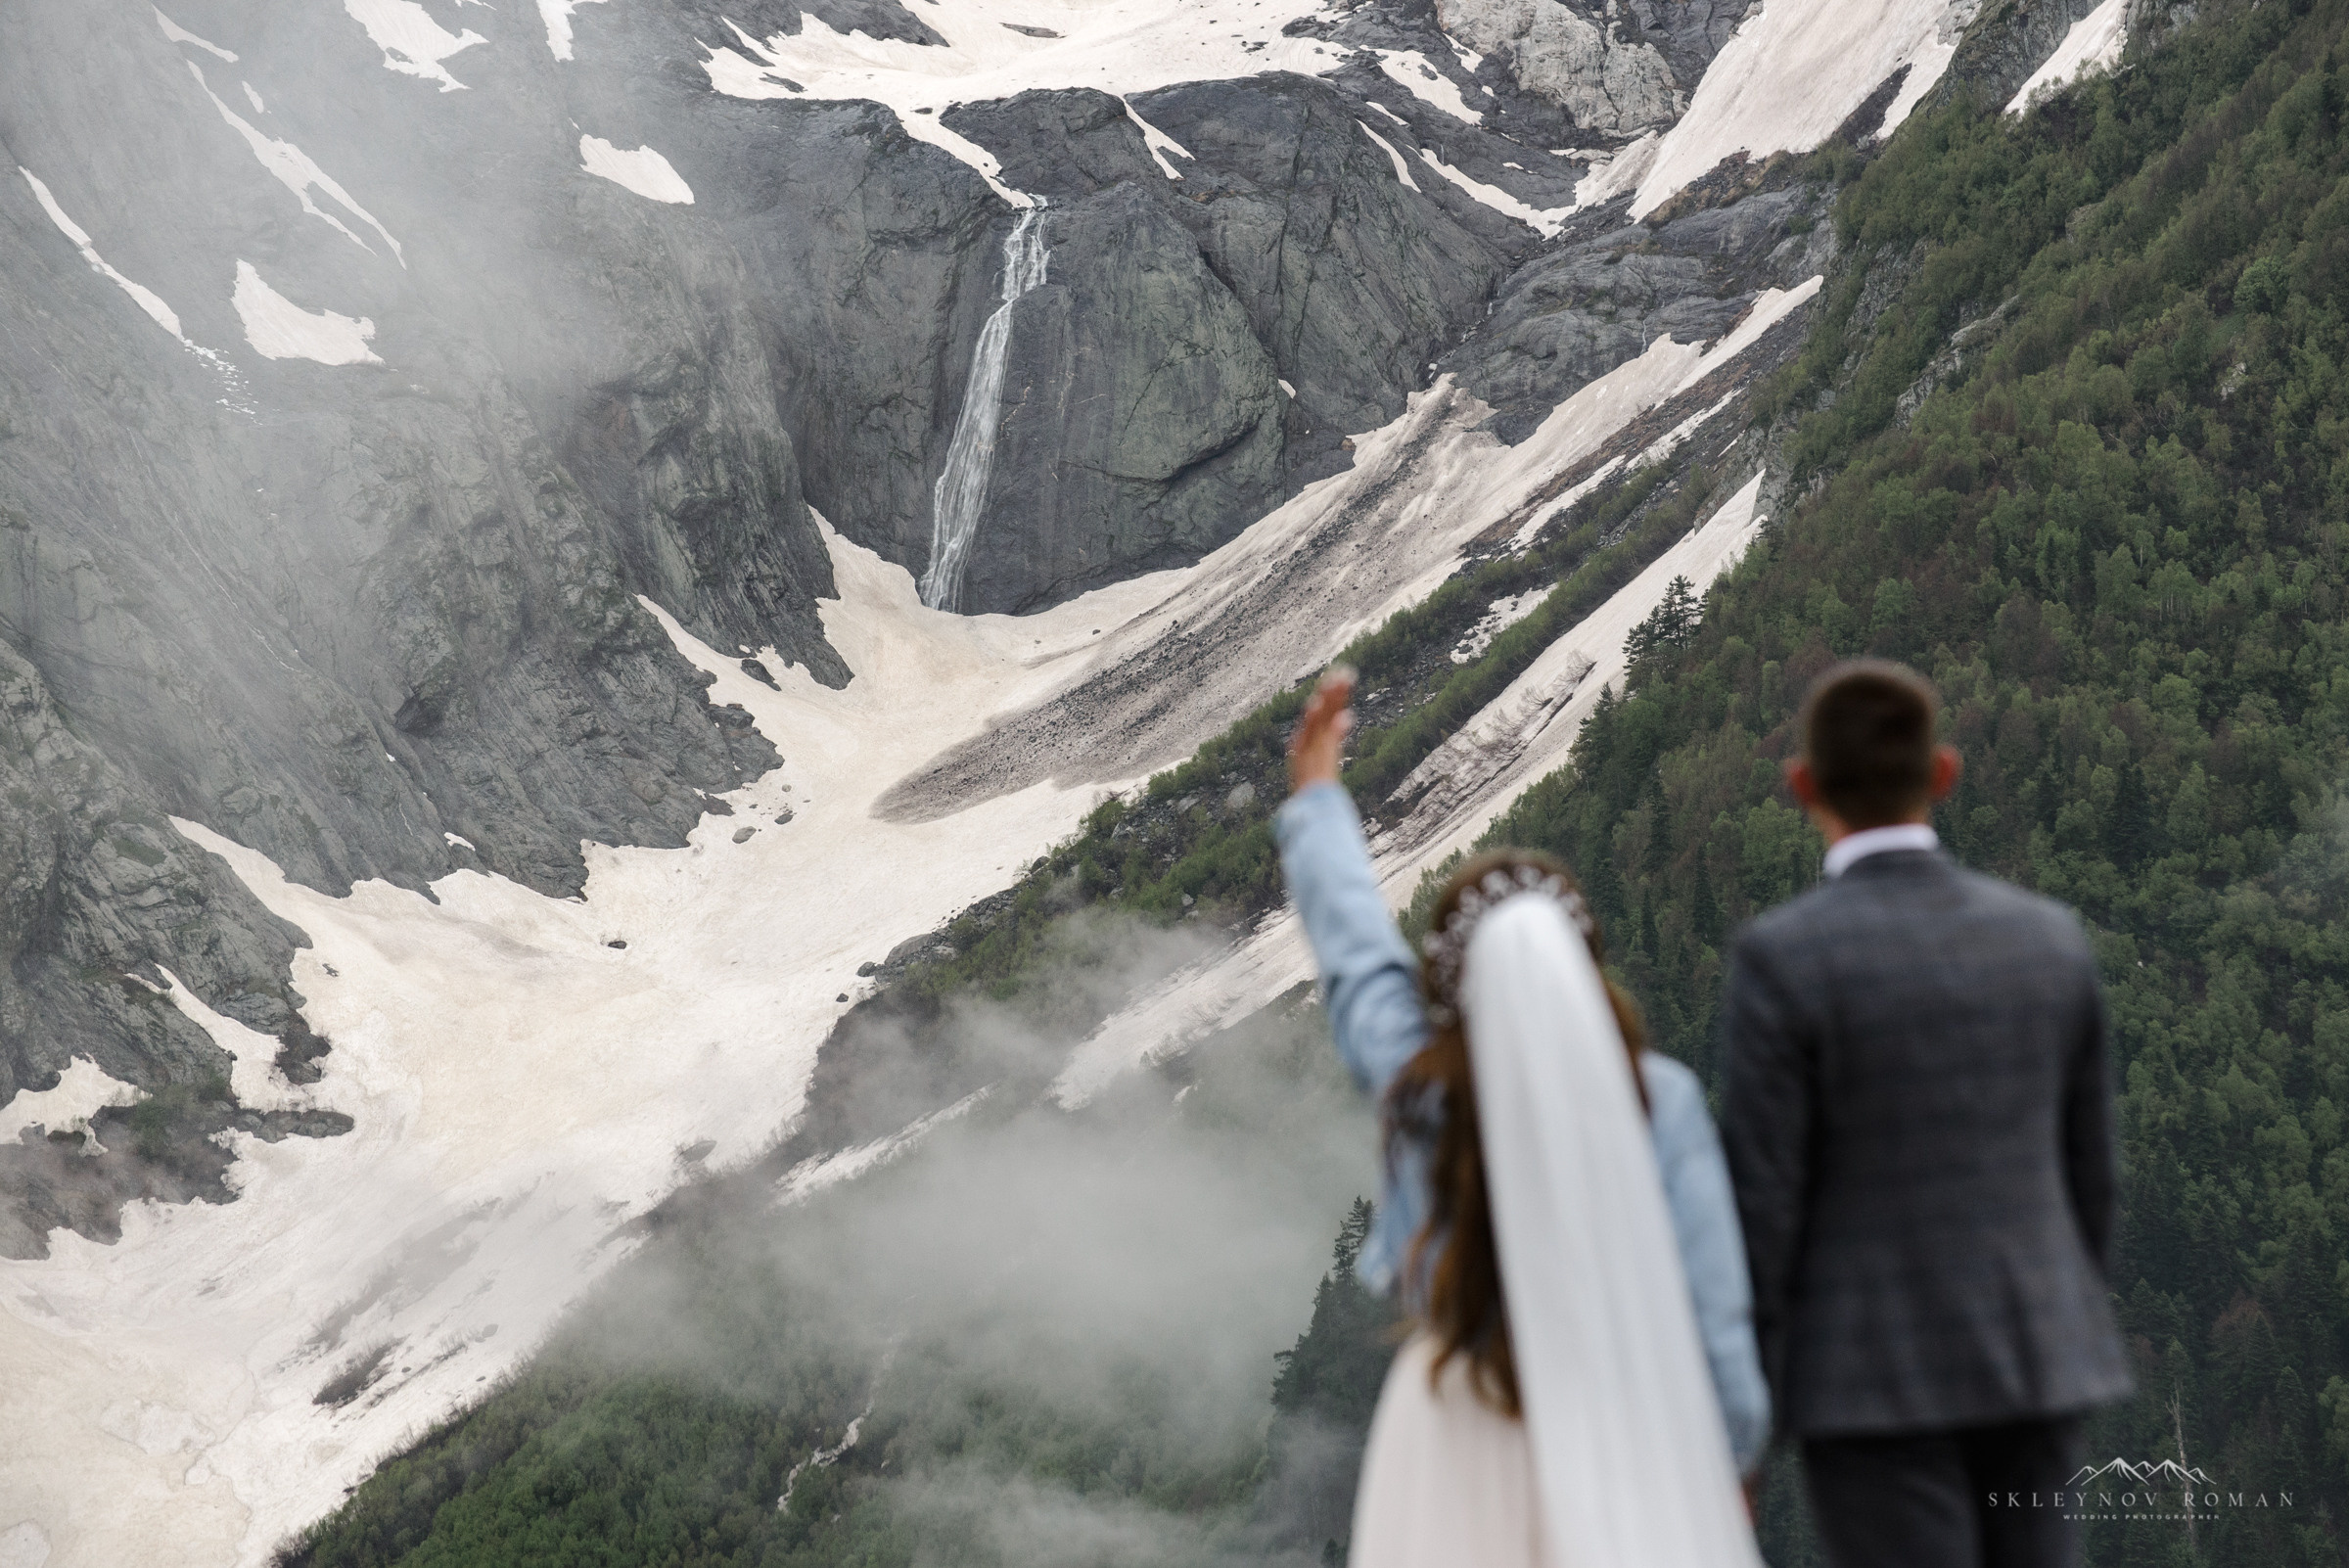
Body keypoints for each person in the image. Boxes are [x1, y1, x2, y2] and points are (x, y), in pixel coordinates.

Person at [1276, 667, 1767, 1568]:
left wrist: (1316, 800)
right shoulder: (1658, 1101)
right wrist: (1723, 1464)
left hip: (1451, 1432)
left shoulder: (1425, 1092)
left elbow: (1357, 963)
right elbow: (1714, 1312)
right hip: (1626, 1435)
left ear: (1451, 994)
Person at [1720, 660, 2132, 1568]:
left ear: (1803, 786)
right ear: (1942, 773)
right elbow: (2091, 1176)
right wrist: (2060, 1314)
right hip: (2036, 1360)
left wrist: (1743, 1418)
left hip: (1868, 1380)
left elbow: (1762, 1208)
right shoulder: (2049, 940)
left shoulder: (1782, 961)